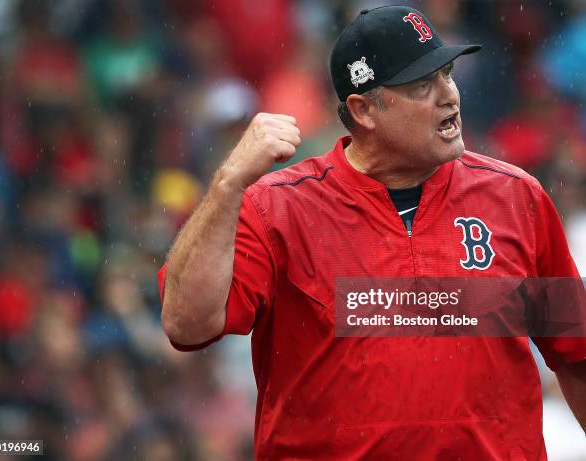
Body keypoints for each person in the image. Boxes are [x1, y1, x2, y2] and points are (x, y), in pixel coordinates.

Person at [159, 6, 586, 459]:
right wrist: (228, 185)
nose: (450, 96)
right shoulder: (276, 208)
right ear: (363, 110)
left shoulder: (516, 198)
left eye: (447, 74)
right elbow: (187, 324)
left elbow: (576, 351)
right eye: (423, 84)